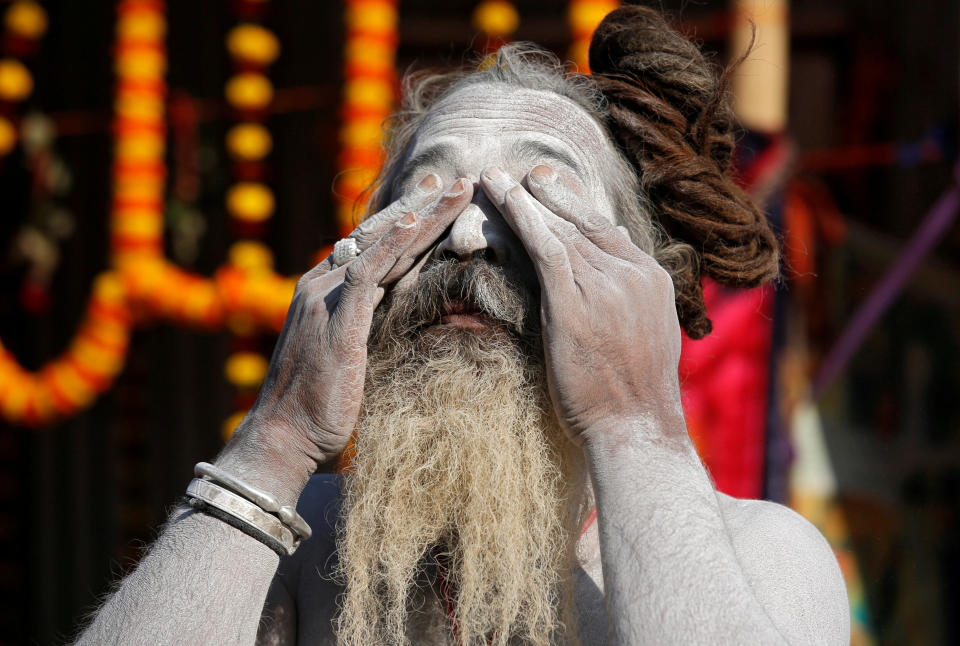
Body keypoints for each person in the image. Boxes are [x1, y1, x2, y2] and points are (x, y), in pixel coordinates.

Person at [76, 6, 849, 645]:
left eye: (536, 199)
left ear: (641, 284)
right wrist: (274, 441)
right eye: (428, 196)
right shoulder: (303, 538)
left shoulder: (762, 555)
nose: (470, 238)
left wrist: (633, 425)